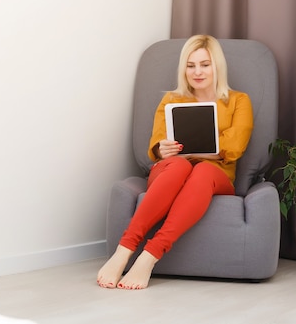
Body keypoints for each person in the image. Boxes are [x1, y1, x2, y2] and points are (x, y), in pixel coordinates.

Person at [97, 34, 253, 290]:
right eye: (191, 66)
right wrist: (163, 149)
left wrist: (201, 152)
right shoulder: (171, 100)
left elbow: (234, 147)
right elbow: (155, 146)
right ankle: (123, 251)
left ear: (217, 66)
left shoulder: (239, 101)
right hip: (172, 169)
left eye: (204, 64)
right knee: (181, 165)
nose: (197, 72)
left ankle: (149, 257)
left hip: (216, 175)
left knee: (201, 170)